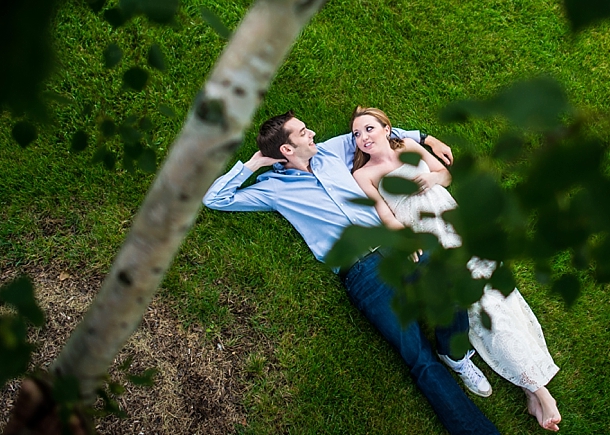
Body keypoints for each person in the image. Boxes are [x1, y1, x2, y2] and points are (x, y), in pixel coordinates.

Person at [202, 111, 500, 435]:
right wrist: (256, 162)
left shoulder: (331, 151)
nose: (312, 132)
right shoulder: (271, 188)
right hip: (362, 275)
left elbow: (380, 131)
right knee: (417, 358)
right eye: (303, 132)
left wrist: (426, 138)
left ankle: (454, 352)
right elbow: (215, 198)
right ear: (287, 149)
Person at [350, 106, 562, 433]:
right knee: (478, 303)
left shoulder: (407, 146)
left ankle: (531, 387)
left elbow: (445, 175)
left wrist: (431, 177)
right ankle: (537, 390)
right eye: (356, 134)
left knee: (495, 293)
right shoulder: (364, 175)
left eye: (368, 128)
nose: (363, 138)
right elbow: (386, 216)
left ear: (386, 128)